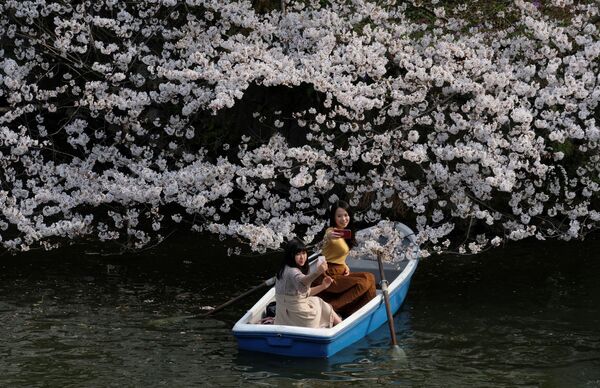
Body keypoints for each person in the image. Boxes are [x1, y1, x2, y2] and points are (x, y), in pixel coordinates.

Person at [313, 200, 376, 318]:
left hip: (341, 271)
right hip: (329, 273)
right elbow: (326, 241)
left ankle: (355, 311)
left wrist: (345, 265)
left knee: (371, 278)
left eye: (346, 215)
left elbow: (337, 253)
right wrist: (327, 237)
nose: (343, 219)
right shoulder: (331, 232)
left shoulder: (345, 233)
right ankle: (331, 308)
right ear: (334, 218)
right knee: (363, 283)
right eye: (339, 216)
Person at [274, 238, 342, 328]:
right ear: (290, 255)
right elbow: (302, 281)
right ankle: (340, 325)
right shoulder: (292, 271)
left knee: (316, 300)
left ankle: (339, 323)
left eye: (304, 253)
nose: (302, 257)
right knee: (320, 303)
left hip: (282, 317)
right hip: (297, 317)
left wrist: (323, 286)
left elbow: (304, 293)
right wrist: (317, 272)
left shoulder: (284, 268)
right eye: (298, 254)